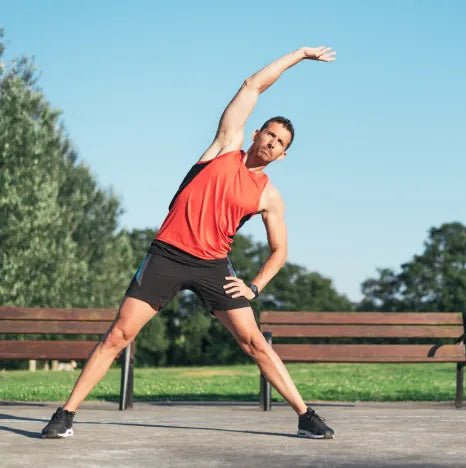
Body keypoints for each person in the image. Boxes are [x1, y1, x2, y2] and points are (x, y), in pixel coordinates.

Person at [41, 46, 336, 440]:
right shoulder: (225, 147)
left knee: (254, 343)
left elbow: (279, 250)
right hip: (167, 254)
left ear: (283, 154)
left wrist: (254, 286)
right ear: (256, 133)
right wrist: (298, 55)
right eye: (269, 133)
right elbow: (252, 85)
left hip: (214, 265)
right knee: (119, 335)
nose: (271, 142)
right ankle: (66, 414)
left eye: (280, 142)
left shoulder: (269, 195)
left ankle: (305, 415)